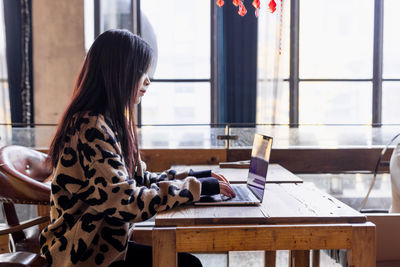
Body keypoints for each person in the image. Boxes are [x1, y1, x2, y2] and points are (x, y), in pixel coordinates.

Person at [39, 29, 236, 267]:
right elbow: (126, 200)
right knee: (188, 265)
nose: (148, 80)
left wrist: (198, 177)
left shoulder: (107, 121)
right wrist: (197, 188)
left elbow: (140, 180)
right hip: (83, 255)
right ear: (119, 72)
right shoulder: (89, 126)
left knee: (187, 262)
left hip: (103, 246)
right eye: (142, 71)